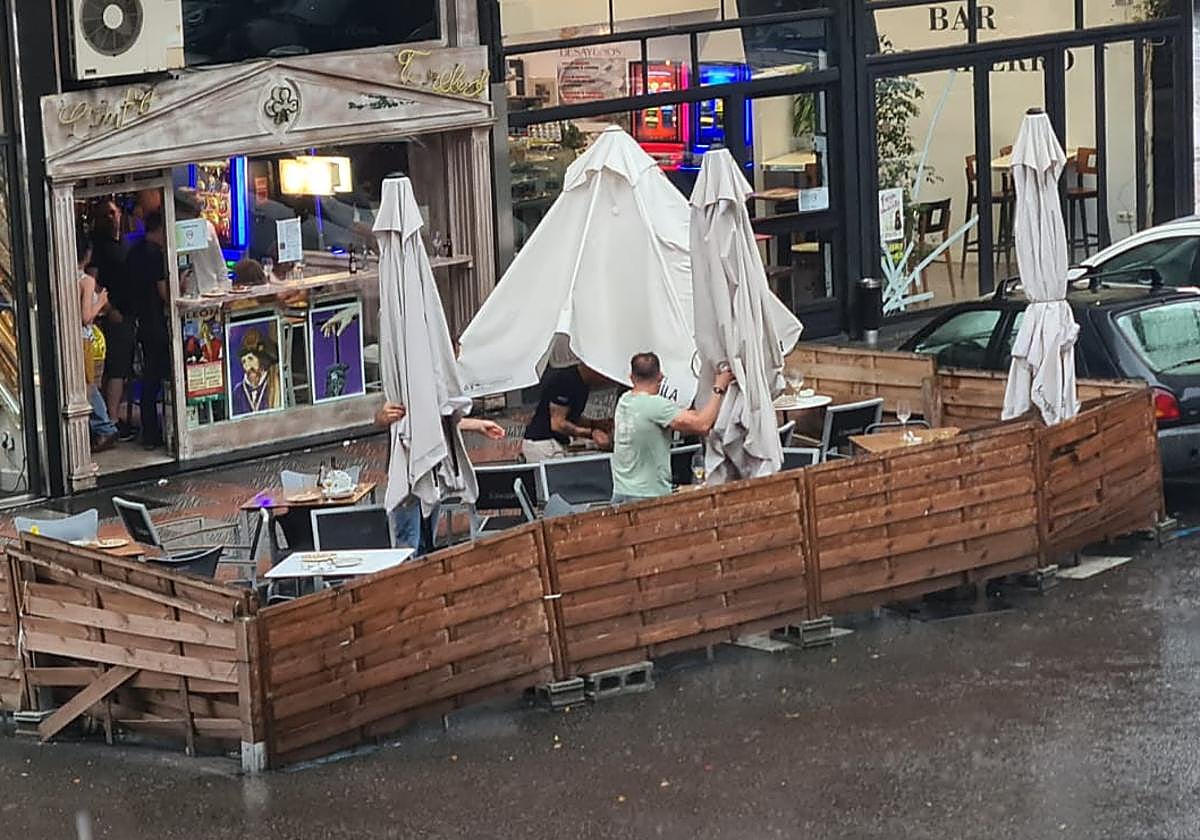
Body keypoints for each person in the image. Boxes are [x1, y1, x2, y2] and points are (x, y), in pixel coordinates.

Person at [374, 401, 506, 554]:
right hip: (407, 473)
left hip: (431, 471)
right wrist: (382, 417)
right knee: (409, 545)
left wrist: (476, 425)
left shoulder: (430, 387)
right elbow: (379, 418)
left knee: (425, 542)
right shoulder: (398, 388)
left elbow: (438, 419)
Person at [611, 352, 734, 504]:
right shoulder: (656, 405)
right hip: (647, 496)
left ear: (631, 377)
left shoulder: (625, 401)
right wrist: (719, 387)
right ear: (660, 377)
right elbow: (702, 425)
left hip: (621, 492)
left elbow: (692, 417)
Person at [88, 199, 135, 436]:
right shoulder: (99, 246)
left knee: (119, 368)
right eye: (107, 214)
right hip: (112, 315)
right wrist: (108, 309)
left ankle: (109, 416)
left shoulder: (123, 242)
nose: (112, 217)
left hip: (127, 311)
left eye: (114, 213)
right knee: (116, 369)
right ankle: (113, 420)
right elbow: (92, 283)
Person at [126, 211, 170, 449]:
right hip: (156, 323)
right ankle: (154, 434)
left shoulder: (134, 251)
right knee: (156, 378)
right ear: (161, 229)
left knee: (148, 380)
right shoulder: (155, 256)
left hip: (141, 321)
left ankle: (150, 430)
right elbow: (164, 293)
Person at [77, 229, 118, 452]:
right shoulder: (86, 281)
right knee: (89, 385)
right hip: (86, 340)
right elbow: (86, 317)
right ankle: (105, 427)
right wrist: (101, 301)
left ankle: (100, 427)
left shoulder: (62, 277)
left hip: (74, 340)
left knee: (85, 384)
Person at [522, 363, 612, 462]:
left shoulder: (583, 385)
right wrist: (591, 433)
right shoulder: (565, 381)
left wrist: (595, 424)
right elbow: (558, 424)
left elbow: (571, 417)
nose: (606, 381)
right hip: (543, 443)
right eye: (605, 377)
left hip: (556, 443)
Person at [175, 188, 229, 296]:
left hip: (211, 294)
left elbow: (220, 266)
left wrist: (224, 292)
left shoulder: (208, 228)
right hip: (186, 297)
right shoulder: (173, 231)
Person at [232, 329, 280, 415]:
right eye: (244, 361)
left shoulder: (274, 383)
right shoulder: (238, 392)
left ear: (261, 360)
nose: (247, 367)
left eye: (250, 359)